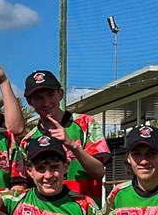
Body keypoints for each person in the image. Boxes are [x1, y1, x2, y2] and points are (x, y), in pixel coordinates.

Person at [14, 69, 109, 201]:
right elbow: (26, 186)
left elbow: (99, 173)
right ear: (30, 102)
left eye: (51, 95)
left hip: (84, 209)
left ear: (61, 94)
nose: (46, 102)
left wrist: (73, 146)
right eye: (38, 98)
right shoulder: (28, 141)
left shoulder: (86, 124)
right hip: (47, 211)